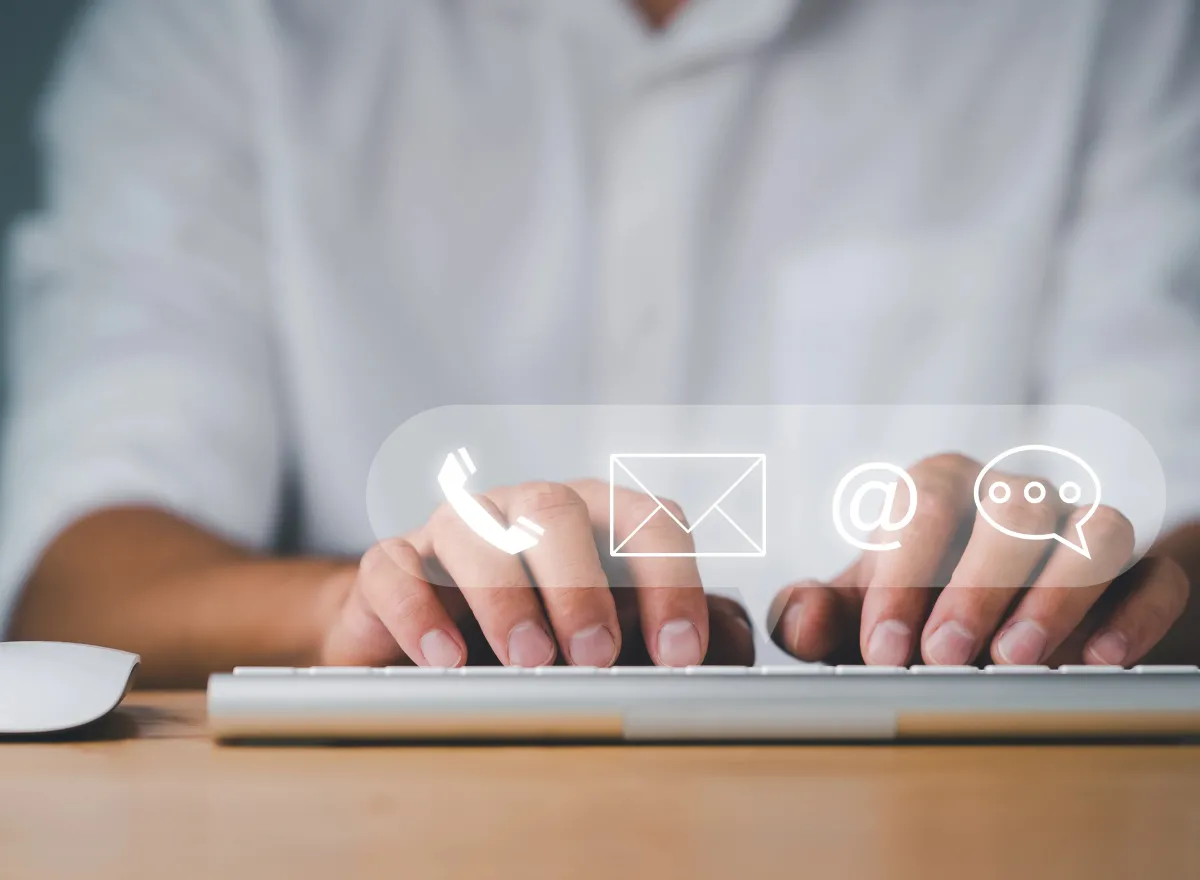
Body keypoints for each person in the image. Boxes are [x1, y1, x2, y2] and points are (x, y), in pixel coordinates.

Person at [2, 0, 1198, 686]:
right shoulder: (216, 29)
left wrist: (1100, 585)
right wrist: (355, 611)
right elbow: (77, 576)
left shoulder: (1112, 27)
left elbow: (1178, 502)